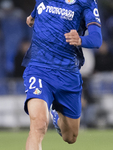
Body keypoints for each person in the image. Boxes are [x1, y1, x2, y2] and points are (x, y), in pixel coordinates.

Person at [23, 0, 102, 149]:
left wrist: (80, 39)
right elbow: (36, 11)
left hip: (68, 75)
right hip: (39, 69)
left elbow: (97, 39)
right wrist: (32, 17)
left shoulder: (86, 3)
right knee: (38, 125)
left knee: (70, 137)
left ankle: (57, 115)